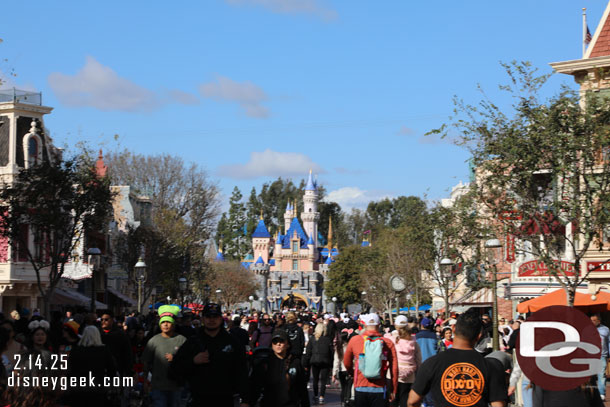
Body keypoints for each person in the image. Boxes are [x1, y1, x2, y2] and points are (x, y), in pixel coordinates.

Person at [407, 310, 507, 407]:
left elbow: (412, 401)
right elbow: (498, 404)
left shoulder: (432, 363)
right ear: (479, 336)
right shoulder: (492, 367)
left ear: (453, 328)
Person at [170, 303, 248, 407]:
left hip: (225, 399)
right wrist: (193, 361)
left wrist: (246, 400)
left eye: (215, 317)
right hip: (199, 399)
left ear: (221, 319)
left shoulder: (232, 342)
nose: (212, 320)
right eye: (208, 317)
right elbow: (174, 370)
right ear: (202, 319)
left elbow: (242, 372)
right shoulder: (193, 342)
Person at [344, 313, 399, 407]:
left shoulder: (355, 340)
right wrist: (394, 389)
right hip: (380, 387)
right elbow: (394, 368)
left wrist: (353, 373)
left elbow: (347, 362)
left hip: (360, 386)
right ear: (379, 325)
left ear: (364, 325)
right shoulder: (388, 343)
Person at [244, 329, 310, 407]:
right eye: (275, 342)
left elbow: (302, 388)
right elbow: (255, 386)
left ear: (287, 344)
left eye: (281, 341)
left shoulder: (295, 363)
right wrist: (247, 402)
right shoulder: (265, 363)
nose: (278, 344)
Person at [142, 305, 187, 407]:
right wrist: (145, 381)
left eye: (168, 322)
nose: (165, 324)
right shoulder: (153, 340)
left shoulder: (182, 340)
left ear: (174, 324)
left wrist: (175, 359)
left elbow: (189, 361)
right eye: (163, 322)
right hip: (158, 386)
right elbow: (146, 362)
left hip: (176, 386)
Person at [65, 325, 119, 407]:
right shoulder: (104, 351)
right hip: (97, 388)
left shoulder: (75, 350)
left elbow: (69, 369)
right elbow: (111, 370)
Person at [304, 323, 334, 405]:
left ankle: (316, 394)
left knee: (315, 379)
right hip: (325, 361)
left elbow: (308, 352)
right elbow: (331, 352)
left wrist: (306, 363)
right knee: (323, 380)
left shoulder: (313, 339)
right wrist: (332, 364)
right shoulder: (328, 339)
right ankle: (322, 396)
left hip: (314, 361)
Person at [392, 325, 421, 407]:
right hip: (410, 375)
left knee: (394, 398)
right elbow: (418, 359)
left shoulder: (395, 343)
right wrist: (418, 370)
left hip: (396, 373)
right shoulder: (414, 344)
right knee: (405, 397)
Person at [591, 314, 609, 401]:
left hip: (602, 355)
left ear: (599, 321)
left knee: (601, 375)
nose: (592, 322)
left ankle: (601, 394)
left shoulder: (606, 329)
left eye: (594, 320)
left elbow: (609, 342)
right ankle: (591, 393)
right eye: (591, 320)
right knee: (589, 376)